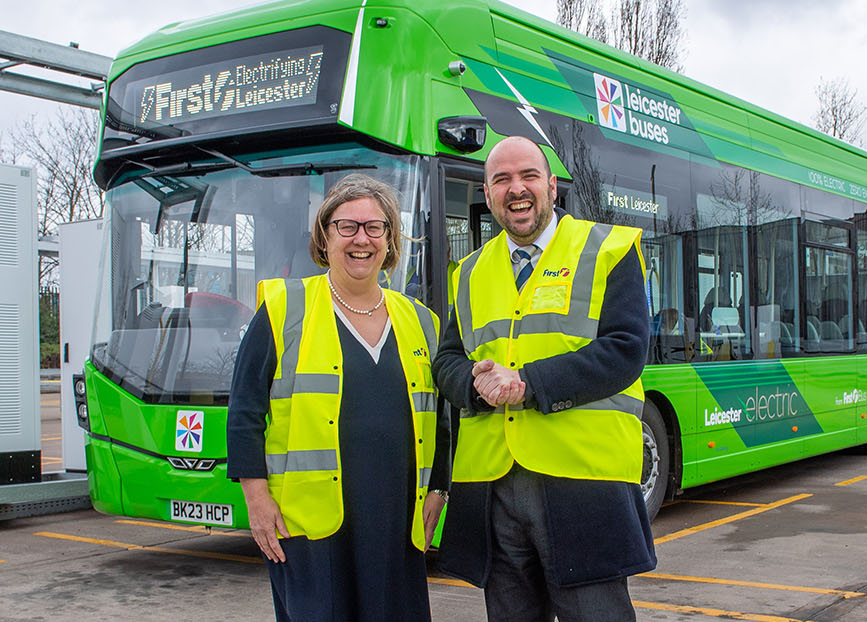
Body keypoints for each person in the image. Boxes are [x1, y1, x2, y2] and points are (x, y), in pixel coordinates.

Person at [433, 136, 656, 621]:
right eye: (502, 180)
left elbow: (626, 351)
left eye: (528, 176)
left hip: (583, 481)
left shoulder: (608, 249)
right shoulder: (468, 272)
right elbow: (446, 361)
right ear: (488, 195)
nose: (517, 189)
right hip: (494, 485)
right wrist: (475, 381)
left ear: (552, 186)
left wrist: (528, 383)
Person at [227, 173, 450, 621]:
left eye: (374, 227)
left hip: (395, 518)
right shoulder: (284, 308)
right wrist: (256, 499)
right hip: (311, 525)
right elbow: (245, 411)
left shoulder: (421, 321)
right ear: (324, 236)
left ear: (389, 239)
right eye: (347, 226)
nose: (361, 239)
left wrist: (439, 491)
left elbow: (441, 418)